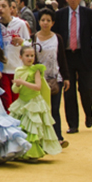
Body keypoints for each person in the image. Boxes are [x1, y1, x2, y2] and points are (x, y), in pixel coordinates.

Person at [54, 0, 92, 134]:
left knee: (86, 88)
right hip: (66, 56)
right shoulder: (60, 14)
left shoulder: (89, 14)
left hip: (84, 55)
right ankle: (73, 124)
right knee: (69, 91)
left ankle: (88, 112)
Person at [9, 44, 63, 160]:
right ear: (20, 57)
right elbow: (14, 89)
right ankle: (20, 151)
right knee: (21, 127)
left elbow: (38, 87)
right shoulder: (18, 70)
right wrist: (17, 84)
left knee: (34, 128)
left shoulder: (36, 70)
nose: (30, 58)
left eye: (32, 56)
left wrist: (23, 83)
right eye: (27, 55)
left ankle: (32, 152)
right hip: (22, 102)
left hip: (34, 102)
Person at [33, 7, 70, 146]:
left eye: (48, 20)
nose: (45, 23)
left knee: (54, 109)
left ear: (53, 23)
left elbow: (62, 58)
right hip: (39, 79)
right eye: (43, 20)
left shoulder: (57, 38)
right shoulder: (34, 37)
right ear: (39, 21)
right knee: (41, 109)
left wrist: (66, 77)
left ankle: (58, 137)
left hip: (56, 78)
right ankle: (42, 137)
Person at [0, 0, 30, 107]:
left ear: (11, 9)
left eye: (4, 6)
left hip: (17, 70)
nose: (1, 9)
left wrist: (22, 42)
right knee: (7, 102)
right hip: (3, 70)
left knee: (17, 102)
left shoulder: (20, 24)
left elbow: (30, 44)